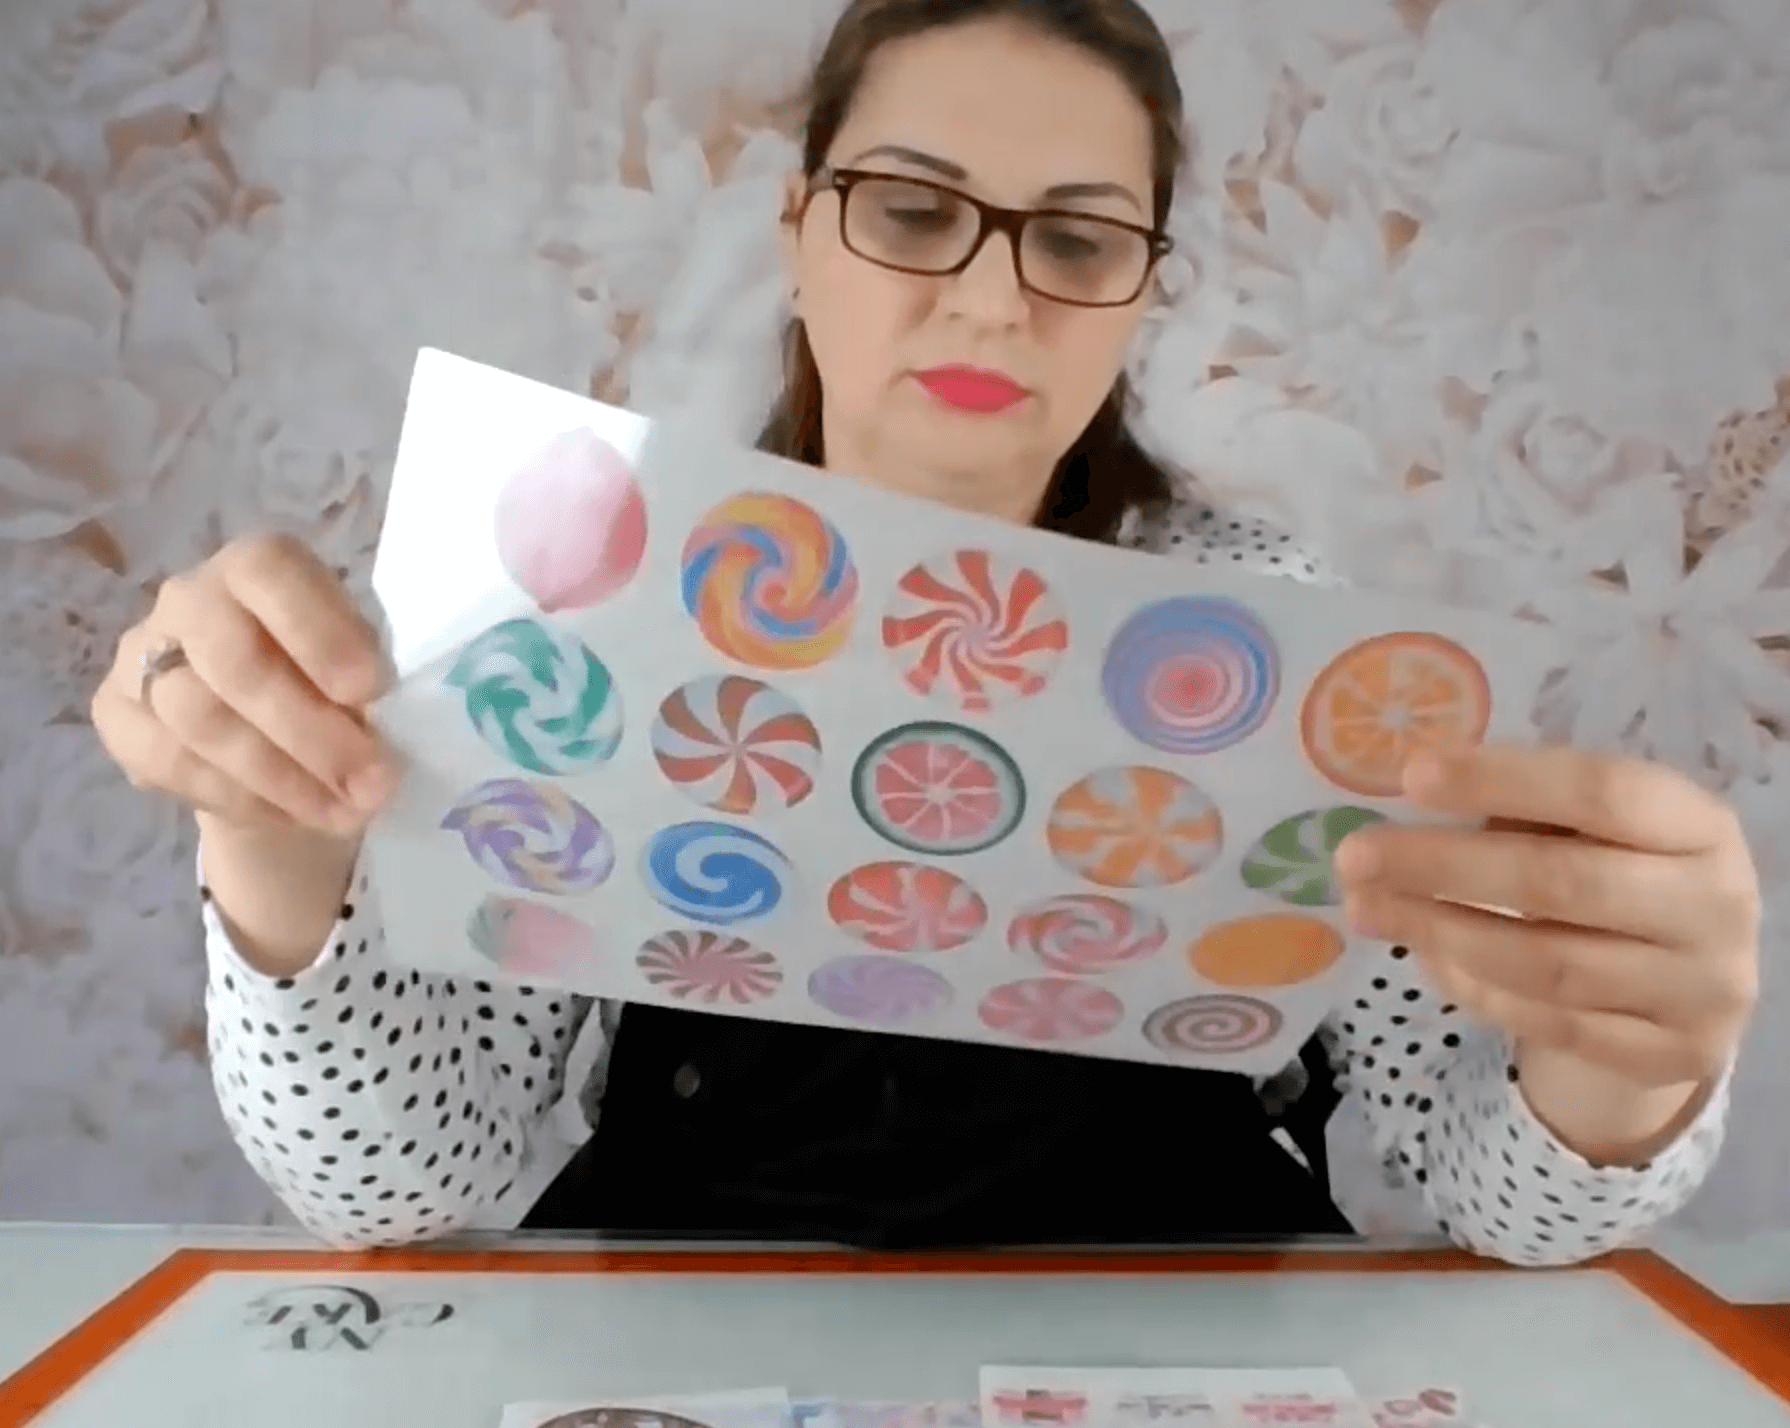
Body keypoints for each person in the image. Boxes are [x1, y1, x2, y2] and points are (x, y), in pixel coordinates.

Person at [92, 0, 1759, 1260]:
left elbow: (1484, 1190)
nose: (988, 295)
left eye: (1077, 239)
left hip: (1183, 1345)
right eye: (909, 210)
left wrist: (1625, 1077)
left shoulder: (1282, 640)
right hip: (691, 1335)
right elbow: (399, 1181)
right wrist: (274, 842)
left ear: (1136, 291)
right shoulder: (583, 592)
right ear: (799, 236)